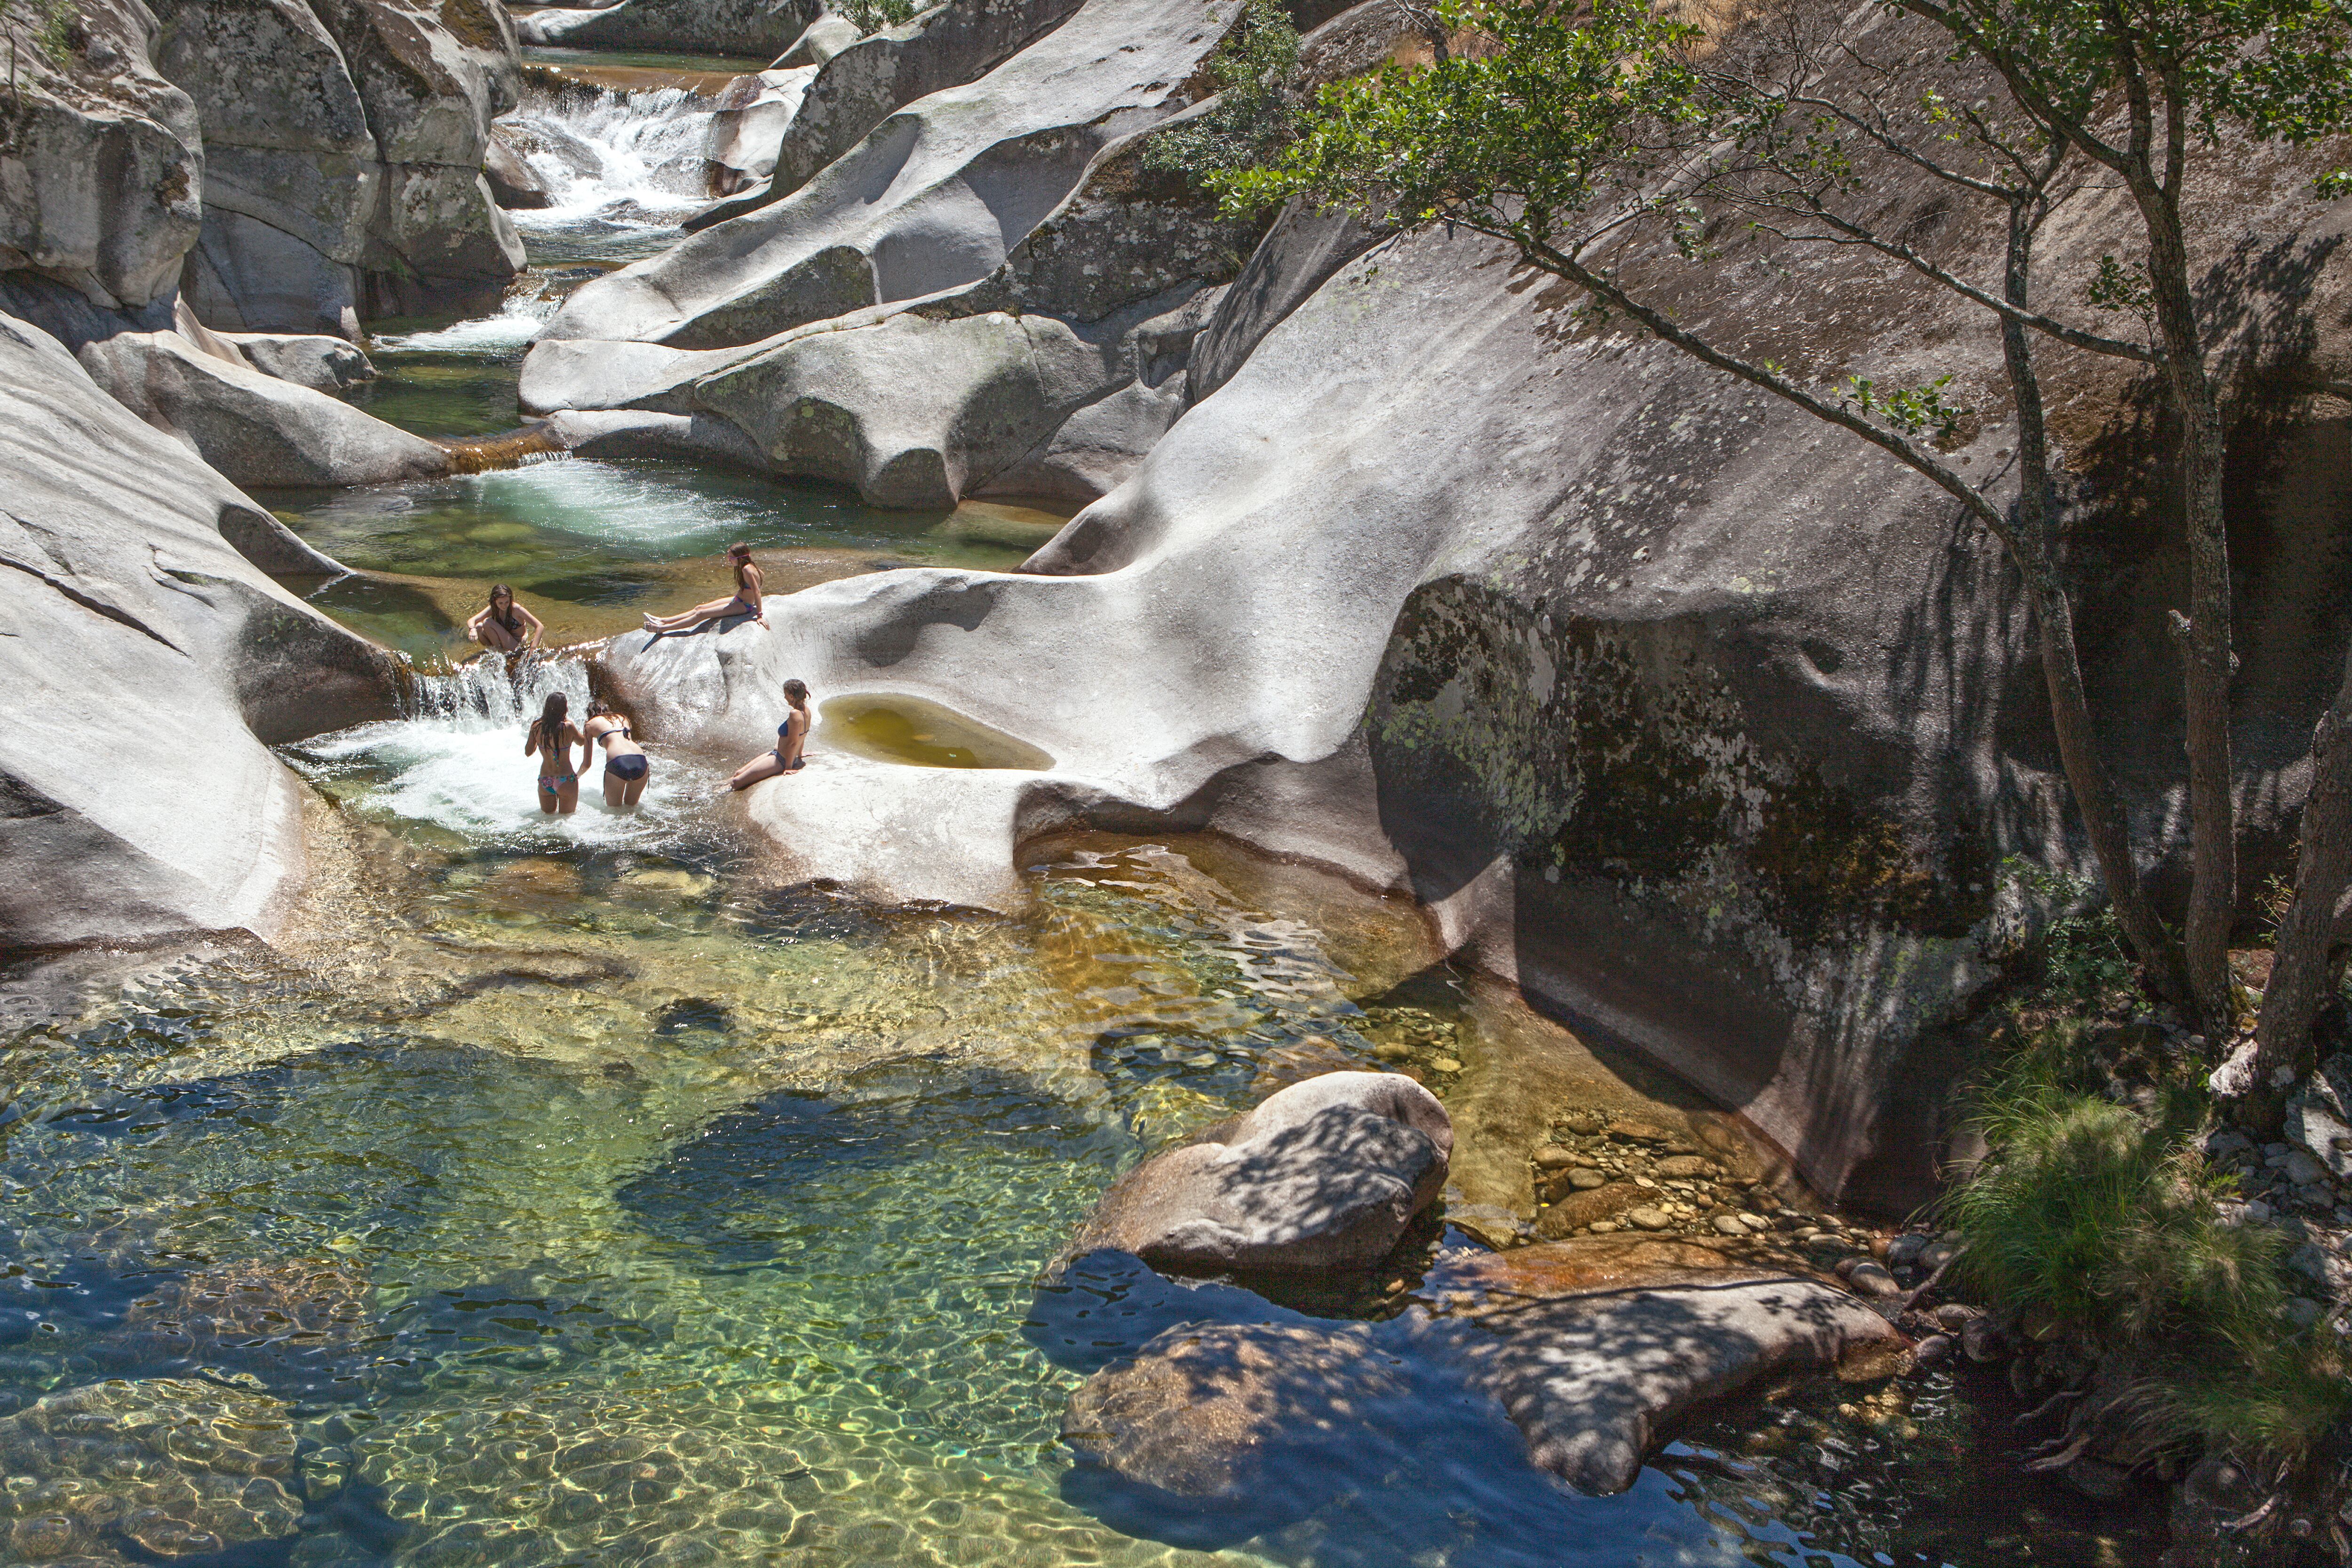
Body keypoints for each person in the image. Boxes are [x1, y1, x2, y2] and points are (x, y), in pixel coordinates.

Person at [644, 543, 766, 634]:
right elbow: (761, 578)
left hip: (744, 606)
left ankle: (662, 629)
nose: (729, 560)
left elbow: (757, 592)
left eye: (731, 558)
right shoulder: (748, 566)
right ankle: (663, 620)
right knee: (699, 608)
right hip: (737, 599)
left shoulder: (747, 570)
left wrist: (759, 615)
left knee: (702, 614)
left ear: (740, 558)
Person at [729, 678, 811, 791]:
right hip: (776, 754)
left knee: (737, 782)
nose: (784, 697)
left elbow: (793, 742)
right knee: (738, 773)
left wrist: (788, 768)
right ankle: (717, 786)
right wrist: (800, 754)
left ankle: (717, 793)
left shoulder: (795, 714)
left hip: (781, 760)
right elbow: (803, 734)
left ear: (792, 697)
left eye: (786, 694)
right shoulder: (807, 711)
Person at [525, 691, 588, 815]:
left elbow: (528, 752)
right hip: (566, 780)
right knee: (567, 820)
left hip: (545, 780)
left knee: (547, 821)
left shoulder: (537, 726)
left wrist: (541, 742)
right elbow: (582, 742)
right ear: (565, 708)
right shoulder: (568, 726)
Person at [583, 699, 650, 809]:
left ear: (591, 714)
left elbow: (587, 764)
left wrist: (577, 776)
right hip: (641, 761)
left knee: (614, 812)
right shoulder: (622, 718)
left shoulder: (590, 724)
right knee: (631, 808)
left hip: (618, 762)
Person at [468, 584, 542, 652]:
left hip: (516, 645)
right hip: (502, 642)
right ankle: (495, 651)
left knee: (488, 622)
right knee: (478, 627)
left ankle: (500, 653)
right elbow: (472, 620)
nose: (504, 606)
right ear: (495, 601)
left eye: (507, 602)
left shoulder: (517, 609)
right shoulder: (494, 608)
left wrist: (533, 649)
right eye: (501, 603)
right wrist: (472, 629)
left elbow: (540, 626)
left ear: (511, 599)